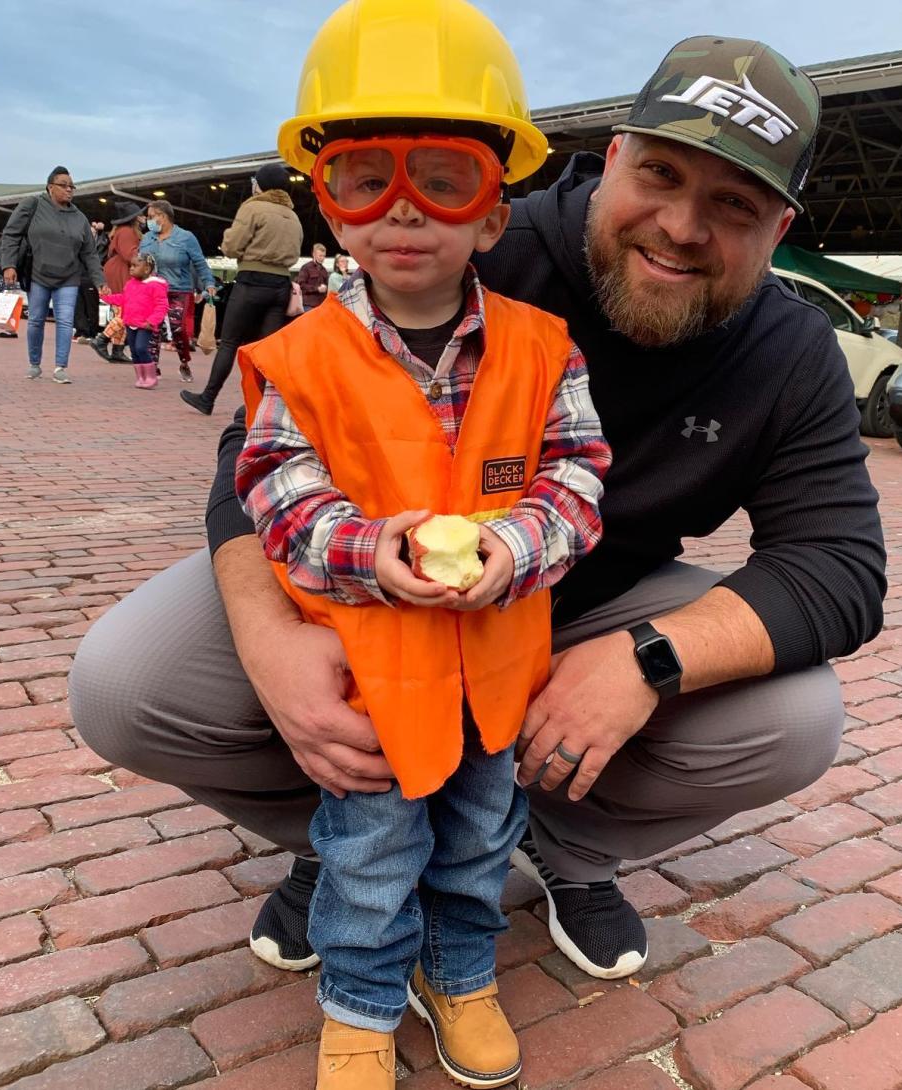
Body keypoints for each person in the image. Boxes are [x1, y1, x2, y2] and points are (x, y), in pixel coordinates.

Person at [72, 28, 886, 1007]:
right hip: (366, 586)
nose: (680, 225)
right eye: (661, 173)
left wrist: (645, 659)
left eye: (733, 204)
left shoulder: (788, 349)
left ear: (780, 224)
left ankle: (557, 843)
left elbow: (839, 563)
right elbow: (251, 439)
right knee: (123, 682)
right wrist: (270, 635)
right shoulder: (478, 233)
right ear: (615, 154)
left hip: (577, 598)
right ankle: (352, 836)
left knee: (795, 718)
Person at [229, 5, 609, 1085]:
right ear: (330, 207)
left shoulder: (544, 348)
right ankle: (356, 1000)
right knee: (369, 851)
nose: (404, 211)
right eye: (363, 178)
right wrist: (364, 545)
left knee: (481, 840)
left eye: (443, 178)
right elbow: (277, 486)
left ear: (493, 211)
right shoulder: (299, 355)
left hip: (497, 673)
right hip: (371, 679)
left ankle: (460, 974)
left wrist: (518, 547)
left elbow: (577, 475)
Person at [180, 162, 303, 416]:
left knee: (230, 342)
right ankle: (265, 407)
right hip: (280, 285)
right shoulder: (293, 215)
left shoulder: (253, 207)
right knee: (266, 350)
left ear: (261, 185)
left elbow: (232, 246)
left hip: (251, 282)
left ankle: (208, 398)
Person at [0, 166, 105, 382]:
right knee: (36, 319)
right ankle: (34, 364)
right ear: (50, 187)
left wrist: (100, 280)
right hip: (39, 274)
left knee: (65, 321)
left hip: (69, 277)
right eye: (63, 185)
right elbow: (11, 234)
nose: (69, 189)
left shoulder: (79, 217)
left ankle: (59, 367)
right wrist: (9, 265)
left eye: (71, 186)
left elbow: (89, 253)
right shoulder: (33, 205)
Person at [139, 199, 215, 382]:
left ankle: (184, 362)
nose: (148, 221)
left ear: (163, 217)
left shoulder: (186, 238)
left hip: (179, 289)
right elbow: (140, 262)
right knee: (153, 329)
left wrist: (209, 283)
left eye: (151, 217)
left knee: (178, 328)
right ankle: (153, 367)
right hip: (154, 290)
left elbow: (199, 262)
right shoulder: (147, 238)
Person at [98, 253, 168, 389]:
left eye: (135, 266)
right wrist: (107, 297)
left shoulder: (156, 285)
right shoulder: (131, 284)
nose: (131, 268)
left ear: (147, 269)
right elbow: (123, 299)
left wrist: (152, 321)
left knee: (141, 348)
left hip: (145, 324)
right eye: (131, 265)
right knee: (134, 351)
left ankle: (151, 377)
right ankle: (141, 378)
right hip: (130, 322)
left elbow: (162, 305)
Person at [93, 201, 146, 363]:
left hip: (117, 271)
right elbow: (131, 255)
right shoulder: (128, 232)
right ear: (134, 218)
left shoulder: (121, 231)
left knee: (121, 311)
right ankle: (102, 339)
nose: (144, 218)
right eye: (141, 215)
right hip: (121, 273)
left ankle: (118, 350)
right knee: (126, 313)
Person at [296, 242, 328, 309]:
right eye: (320, 256)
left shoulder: (324, 270)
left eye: (324, 256)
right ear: (314, 254)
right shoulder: (306, 267)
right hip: (308, 305)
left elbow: (326, 287)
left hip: (321, 305)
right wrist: (317, 289)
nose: (322, 258)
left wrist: (325, 289)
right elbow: (301, 285)